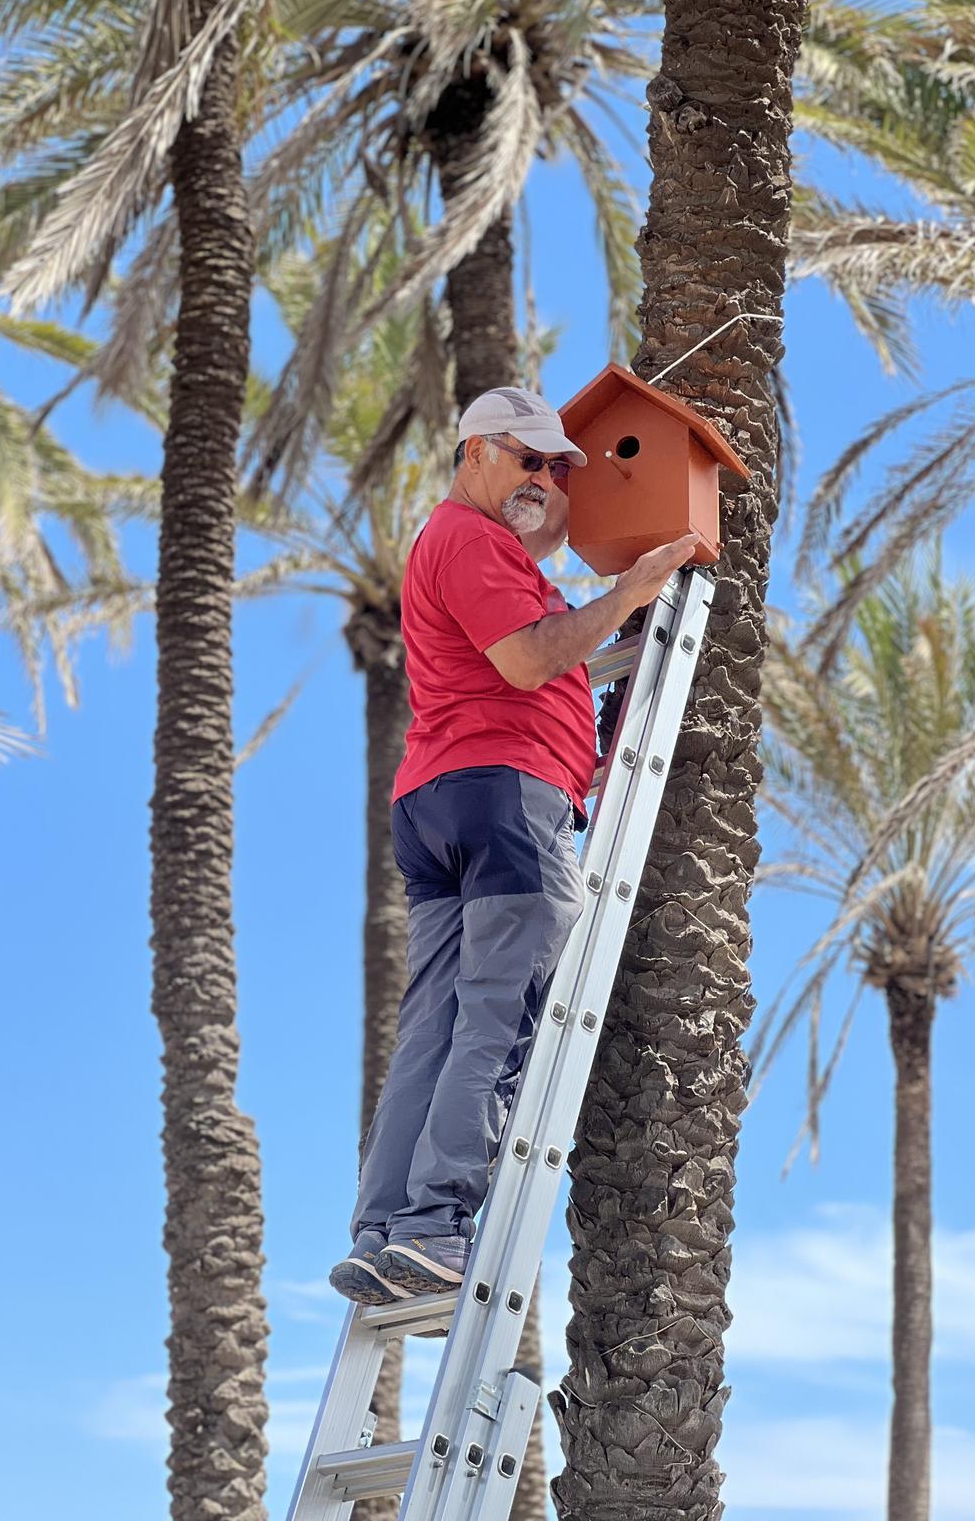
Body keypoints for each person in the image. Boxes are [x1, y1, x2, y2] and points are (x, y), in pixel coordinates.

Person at [329, 385, 699, 1303]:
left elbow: (542, 626)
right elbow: (533, 658)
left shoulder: (485, 552)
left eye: (555, 465)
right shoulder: (470, 540)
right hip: (501, 796)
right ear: (472, 454)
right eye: (524, 457)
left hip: (440, 800)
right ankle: (437, 1225)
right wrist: (631, 591)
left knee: (437, 1023)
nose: (543, 476)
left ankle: (384, 1227)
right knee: (500, 1012)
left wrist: (574, 543)